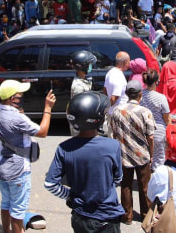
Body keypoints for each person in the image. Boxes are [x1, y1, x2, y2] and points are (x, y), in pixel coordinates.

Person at [45, 92, 125, 232]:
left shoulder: (64, 148)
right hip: (107, 217)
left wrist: (71, 196)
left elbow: (50, 184)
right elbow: (118, 178)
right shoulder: (112, 146)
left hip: (80, 217)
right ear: (97, 119)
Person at [0, 80, 55, 233]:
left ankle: (6, 230)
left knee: (6, 204)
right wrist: (48, 109)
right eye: (20, 95)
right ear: (13, 99)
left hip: (2, 169)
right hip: (18, 170)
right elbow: (43, 131)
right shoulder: (17, 118)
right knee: (18, 211)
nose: (22, 97)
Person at [109, 81, 155, 224]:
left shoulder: (116, 111)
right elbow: (151, 136)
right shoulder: (145, 112)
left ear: (127, 94)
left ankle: (127, 216)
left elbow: (112, 134)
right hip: (142, 155)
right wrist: (151, 154)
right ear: (140, 94)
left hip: (123, 155)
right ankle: (146, 215)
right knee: (145, 187)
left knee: (126, 186)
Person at [140, 69, 171, 170]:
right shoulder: (161, 97)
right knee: (159, 160)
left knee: (144, 158)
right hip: (158, 131)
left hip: (143, 131)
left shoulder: (140, 95)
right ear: (156, 82)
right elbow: (166, 117)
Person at [104, 51, 130, 116]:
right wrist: (109, 108)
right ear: (125, 62)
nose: (129, 64)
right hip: (118, 114)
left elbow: (105, 90)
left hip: (113, 112)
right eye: (129, 62)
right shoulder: (118, 76)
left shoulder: (110, 72)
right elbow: (114, 97)